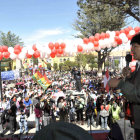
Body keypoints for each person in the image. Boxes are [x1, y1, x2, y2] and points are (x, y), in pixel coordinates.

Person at [108, 32, 140, 140]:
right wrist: (129, 77)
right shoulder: (138, 67)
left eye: (135, 46)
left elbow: (138, 94)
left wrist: (120, 83)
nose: (132, 50)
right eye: (132, 47)